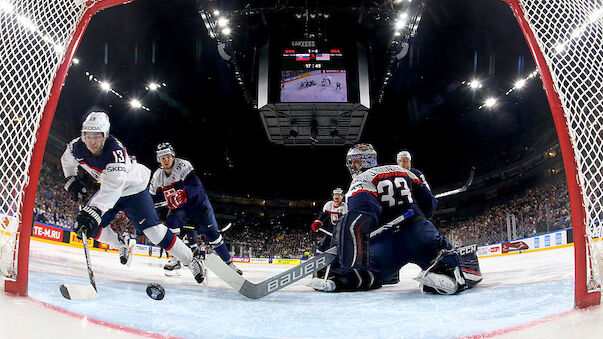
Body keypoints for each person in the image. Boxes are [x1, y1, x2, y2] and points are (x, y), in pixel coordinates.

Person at [310, 143, 482, 294]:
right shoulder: (405, 172)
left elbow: (362, 216)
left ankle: (343, 278)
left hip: (386, 244)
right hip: (420, 232)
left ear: (366, 160)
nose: (352, 166)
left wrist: (344, 251)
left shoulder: (361, 180)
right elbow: (429, 205)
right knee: (443, 254)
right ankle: (448, 271)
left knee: (369, 272)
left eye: (356, 161)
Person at [61, 112, 205, 283]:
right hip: (109, 190)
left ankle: (191, 260)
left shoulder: (115, 152)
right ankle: (120, 242)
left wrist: (94, 210)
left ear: (105, 135)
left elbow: (113, 188)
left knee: (154, 232)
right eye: (88, 136)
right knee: (88, 227)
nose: (92, 141)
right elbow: (67, 161)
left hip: (132, 190)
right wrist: (70, 178)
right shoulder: (77, 146)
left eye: (97, 136)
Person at [149, 142, 242, 275]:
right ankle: (176, 260)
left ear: (173, 156)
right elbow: (151, 197)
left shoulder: (183, 166)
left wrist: (182, 194)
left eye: (168, 156)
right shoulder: (158, 176)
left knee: (212, 235)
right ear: (159, 159)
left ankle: (229, 263)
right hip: (181, 208)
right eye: (163, 158)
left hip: (199, 205)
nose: (166, 160)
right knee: (171, 224)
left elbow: (195, 187)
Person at [310, 187, 348, 253]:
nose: (337, 196)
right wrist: (318, 223)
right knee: (324, 245)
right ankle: (319, 256)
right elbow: (323, 216)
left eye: (339, 195)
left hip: (340, 232)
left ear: (342, 197)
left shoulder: (345, 207)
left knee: (341, 247)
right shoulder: (328, 204)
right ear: (333, 196)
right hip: (329, 231)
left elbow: (345, 221)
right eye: (335, 195)